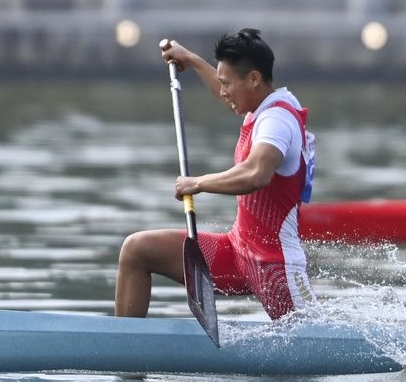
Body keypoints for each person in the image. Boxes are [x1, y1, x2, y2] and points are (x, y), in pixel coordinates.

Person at [115, 28, 317, 320]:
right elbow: (228, 95)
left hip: (276, 266)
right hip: (236, 254)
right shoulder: (261, 104)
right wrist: (193, 60)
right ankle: (125, 346)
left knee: (310, 344)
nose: (223, 93)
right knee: (137, 249)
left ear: (254, 79)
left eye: (227, 84)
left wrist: (198, 183)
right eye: (221, 83)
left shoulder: (276, 121)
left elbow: (256, 173)